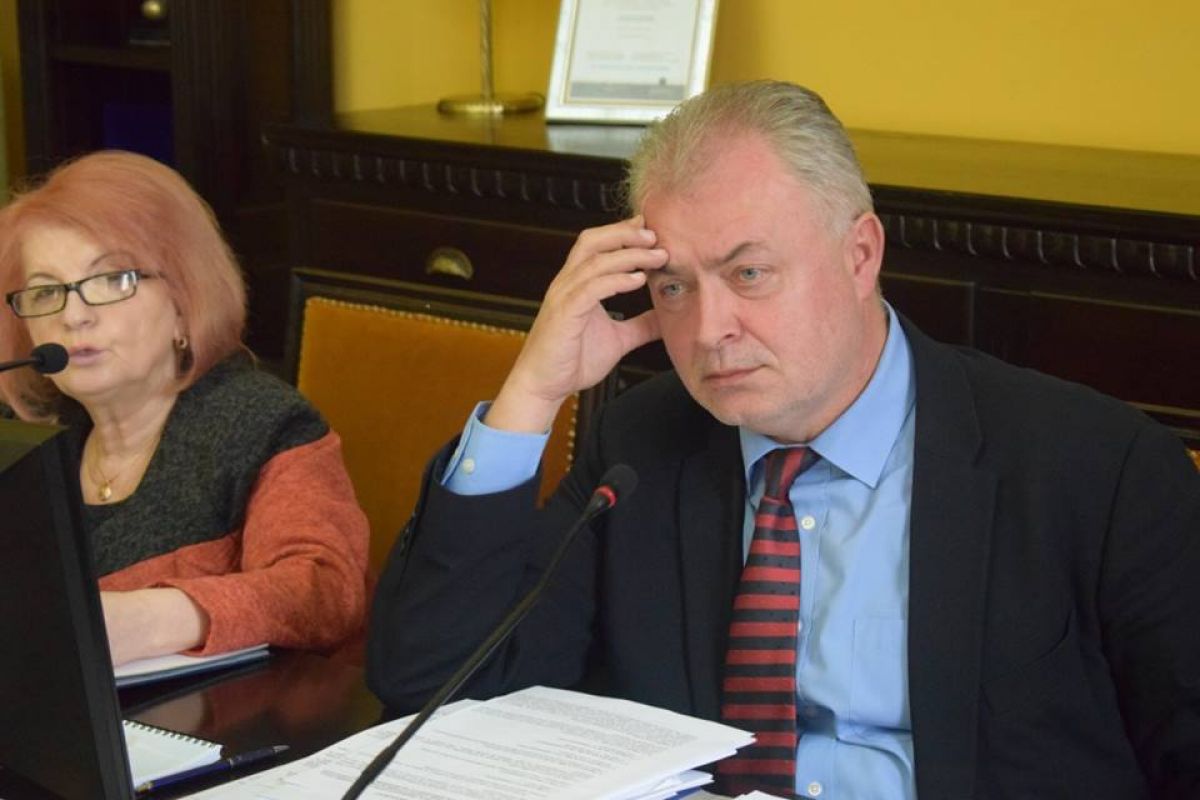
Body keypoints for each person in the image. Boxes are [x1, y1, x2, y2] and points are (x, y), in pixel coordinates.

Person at [366, 81, 1200, 799]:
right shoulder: (642, 443)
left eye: (749, 273)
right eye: (674, 287)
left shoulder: (1097, 471)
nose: (710, 330)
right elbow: (437, 691)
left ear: (860, 254)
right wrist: (532, 394)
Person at [0, 151, 369, 666]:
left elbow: (325, 592)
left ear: (183, 303)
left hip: (211, 712)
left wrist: (151, 619)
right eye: (46, 292)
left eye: (112, 280)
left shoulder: (260, 424)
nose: (74, 316)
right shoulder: (25, 442)